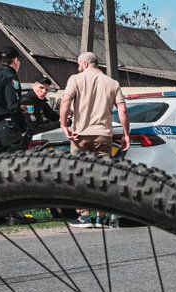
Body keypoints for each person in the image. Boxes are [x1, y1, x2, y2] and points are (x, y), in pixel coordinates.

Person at [59, 52, 130, 228]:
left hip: (80, 135)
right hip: (103, 135)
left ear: (84, 63)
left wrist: (63, 125)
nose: (78, 67)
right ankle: (100, 217)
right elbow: (123, 110)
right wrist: (126, 134)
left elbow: (66, 101)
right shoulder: (112, 83)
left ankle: (84, 216)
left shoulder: (75, 79)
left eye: (78, 64)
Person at [0, 46, 27, 155]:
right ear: (16, 60)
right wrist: (23, 128)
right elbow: (13, 107)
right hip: (9, 128)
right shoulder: (11, 77)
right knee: (20, 164)